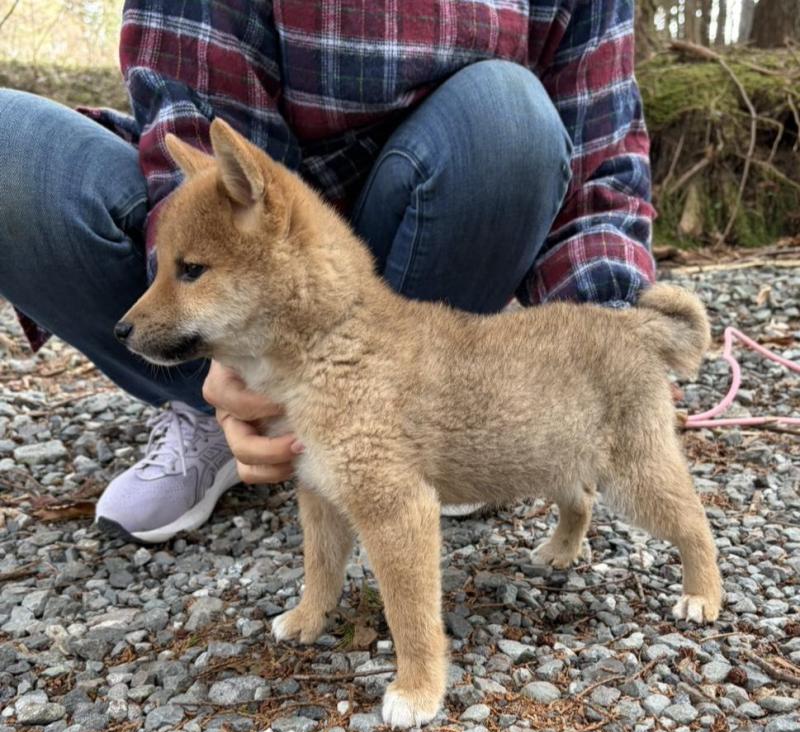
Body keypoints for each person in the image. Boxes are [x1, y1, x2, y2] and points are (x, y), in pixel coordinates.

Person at [0, 0, 655, 544]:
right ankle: (221, 409)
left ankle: (420, 420)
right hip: (253, 263)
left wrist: (607, 357)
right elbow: (197, 125)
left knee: (509, 116)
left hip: (417, 266)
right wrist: (225, 351)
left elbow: (600, 157)